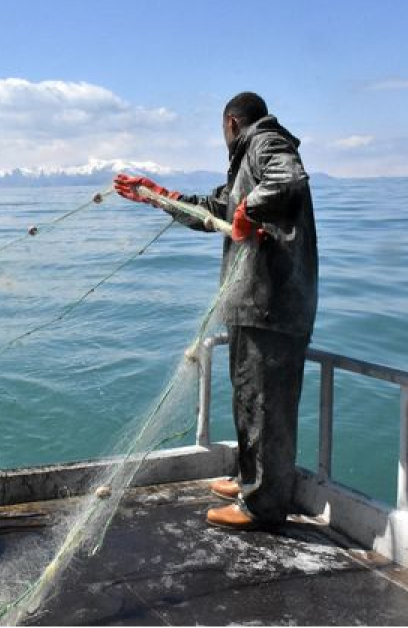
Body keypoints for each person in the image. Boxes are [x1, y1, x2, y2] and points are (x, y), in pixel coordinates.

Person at [114, 91, 317, 529]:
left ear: (230, 123)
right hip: (249, 302)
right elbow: (214, 210)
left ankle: (264, 506)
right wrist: (158, 197)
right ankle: (250, 478)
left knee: (267, 406)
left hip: (273, 304)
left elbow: (289, 179)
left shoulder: (265, 142)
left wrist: (250, 207)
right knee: (248, 397)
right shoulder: (246, 162)